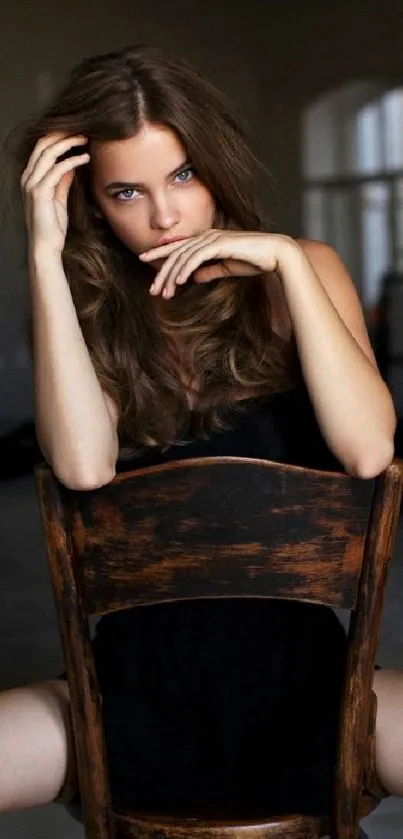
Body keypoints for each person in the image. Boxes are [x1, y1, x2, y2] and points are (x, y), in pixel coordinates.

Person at [1, 42, 403, 818]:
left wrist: (285, 260)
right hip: (129, 692)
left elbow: (367, 448)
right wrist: (46, 254)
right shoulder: (93, 313)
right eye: (125, 191)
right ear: (89, 201)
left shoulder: (303, 271)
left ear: (214, 164)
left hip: (312, 687)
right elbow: (82, 466)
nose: (164, 214)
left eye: (182, 175)